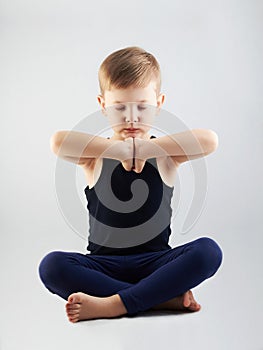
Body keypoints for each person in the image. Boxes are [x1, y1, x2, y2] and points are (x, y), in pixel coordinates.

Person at [38, 46, 223, 323]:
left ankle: (113, 304)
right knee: (52, 266)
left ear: (159, 104)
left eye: (143, 107)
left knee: (208, 251)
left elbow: (210, 140)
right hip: (103, 267)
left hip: (157, 264)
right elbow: (57, 142)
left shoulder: (165, 156)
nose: (132, 117)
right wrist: (120, 151)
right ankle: (162, 299)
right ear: (103, 106)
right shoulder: (95, 156)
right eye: (120, 107)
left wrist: (147, 150)